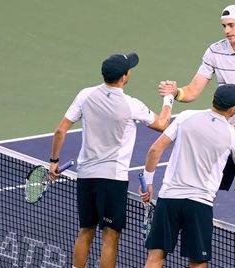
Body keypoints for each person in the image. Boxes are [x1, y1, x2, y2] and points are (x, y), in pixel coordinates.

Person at [158, 5, 235, 266]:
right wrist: (176, 92)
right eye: (224, 26)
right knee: (205, 190)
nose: (227, 31)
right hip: (220, 133)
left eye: (231, 25)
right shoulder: (214, 51)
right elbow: (192, 91)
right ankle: (193, 241)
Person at [48, 52, 173, 268]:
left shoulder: (85, 95)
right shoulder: (131, 105)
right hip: (112, 179)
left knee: (85, 231)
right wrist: (168, 98)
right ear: (124, 77)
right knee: (110, 237)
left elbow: (60, 130)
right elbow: (163, 124)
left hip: (86, 176)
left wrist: (54, 161)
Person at [140, 84, 235, 268]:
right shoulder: (233, 136)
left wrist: (148, 182)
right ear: (233, 109)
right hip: (199, 204)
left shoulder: (186, 116)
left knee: (155, 256)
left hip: (169, 199)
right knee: (197, 262)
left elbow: (155, 149)